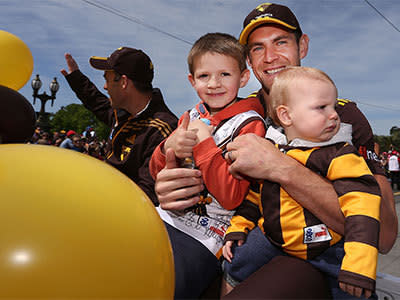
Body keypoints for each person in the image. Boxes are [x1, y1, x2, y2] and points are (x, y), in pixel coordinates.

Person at [154, 2, 398, 298]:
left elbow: (384, 234)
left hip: (316, 259)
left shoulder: (338, 117)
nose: (270, 57)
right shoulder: (236, 113)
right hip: (227, 246)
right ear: (248, 61)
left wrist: (282, 168)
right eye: (257, 48)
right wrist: (170, 184)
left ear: (302, 45)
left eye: (281, 42)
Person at [222, 66, 381, 299]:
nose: (334, 114)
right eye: (321, 107)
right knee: (236, 260)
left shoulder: (342, 154)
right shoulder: (273, 150)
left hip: (327, 247)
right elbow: (257, 195)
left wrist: (360, 265)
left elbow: (364, 209)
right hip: (273, 238)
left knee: (353, 290)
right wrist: (238, 228)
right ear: (286, 116)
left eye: (333, 106)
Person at [149, 32, 267, 299]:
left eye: (225, 74)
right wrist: (167, 148)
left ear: (243, 77)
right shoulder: (190, 116)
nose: (214, 84)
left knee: (165, 286)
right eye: (204, 76)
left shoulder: (250, 123)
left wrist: (203, 144)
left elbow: (231, 197)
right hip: (163, 217)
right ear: (192, 81)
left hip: (207, 234)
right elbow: (157, 172)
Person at [61, 47, 178, 205]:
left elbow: (146, 196)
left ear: (123, 82)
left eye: (106, 79)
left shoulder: (162, 131)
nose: (105, 87)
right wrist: (76, 78)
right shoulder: (124, 113)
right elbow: (96, 102)